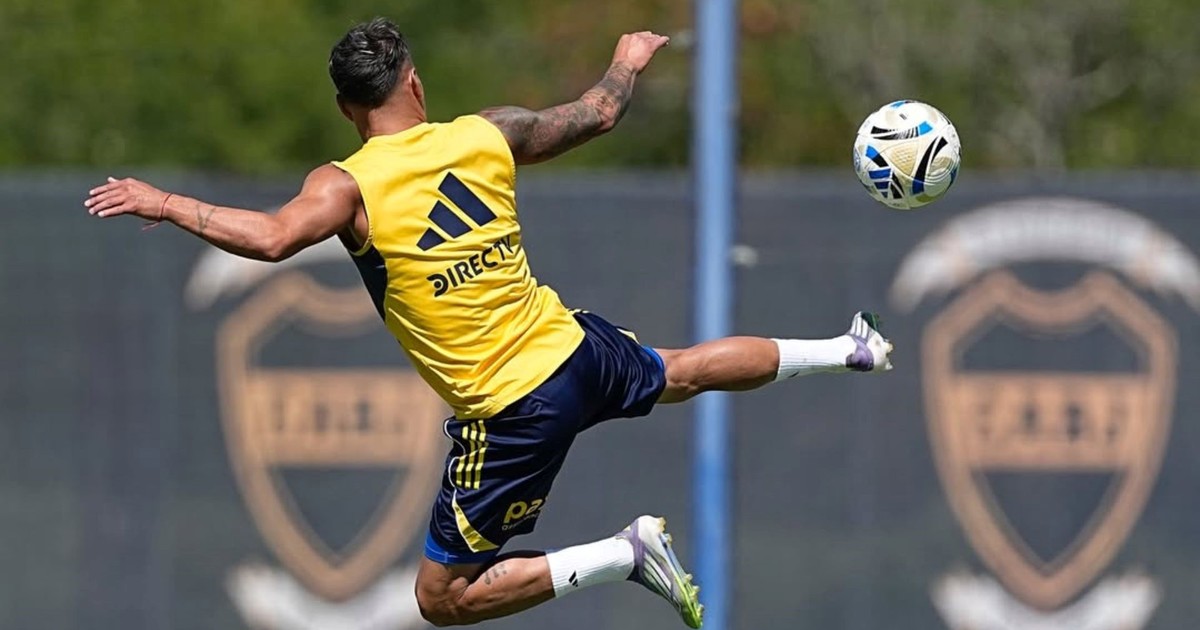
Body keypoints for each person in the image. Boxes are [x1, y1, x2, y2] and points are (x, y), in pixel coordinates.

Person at [84, 17, 893, 628]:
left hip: (511, 410)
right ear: (416, 84)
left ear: (344, 109)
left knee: (441, 599)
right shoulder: (487, 133)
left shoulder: (346, 185)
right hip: (572, 348)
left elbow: (269, 238)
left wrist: (164, 201)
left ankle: (624, 553)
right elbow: (596, 114)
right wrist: (626, 60)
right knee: (680, 370)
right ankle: (848, 347)